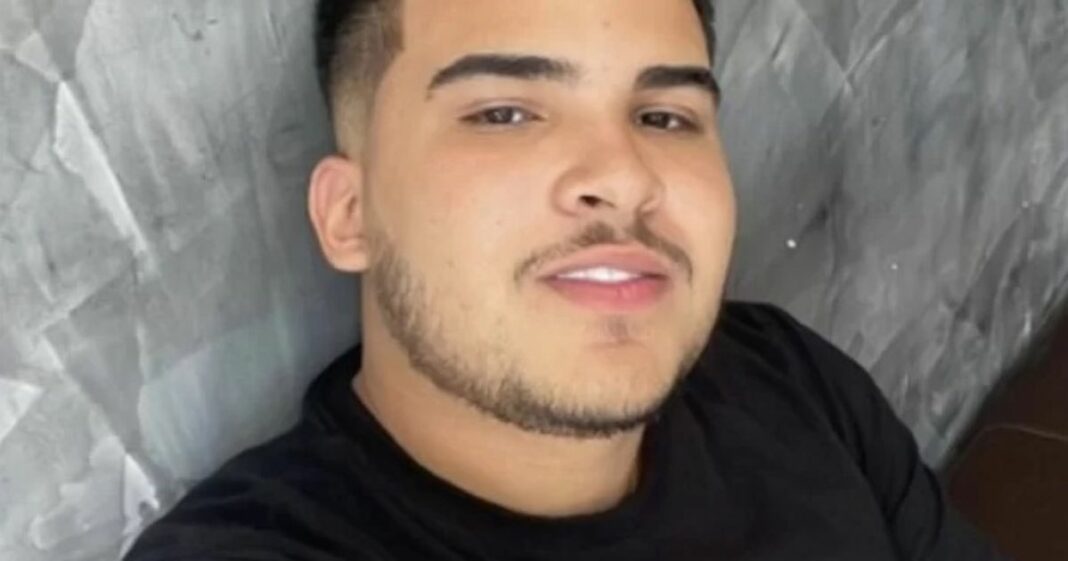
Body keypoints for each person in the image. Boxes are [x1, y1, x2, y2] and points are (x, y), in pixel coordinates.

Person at [125, 0, 1007, 559]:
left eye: (664, 115)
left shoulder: (788, 377)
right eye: (505, 112)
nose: (624, 175)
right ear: (350, 214)